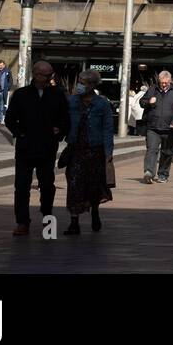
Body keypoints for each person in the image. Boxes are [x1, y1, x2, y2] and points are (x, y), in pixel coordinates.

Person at [3, 60, 70, 236]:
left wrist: (59, 131)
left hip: (47, 147)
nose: (49, 79)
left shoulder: (57, 94)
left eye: (51, 76)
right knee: (22, 186)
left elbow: (65, 118)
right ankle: (22, 221)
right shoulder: (21, 94)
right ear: (36, 74)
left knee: (47, 185)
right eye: (46, 76)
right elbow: (10, 119)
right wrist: (20, 134)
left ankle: (47, 215)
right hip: (26, 147)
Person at [64, 69, 114, 234]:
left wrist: (108, 152)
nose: (79, 85)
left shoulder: (102, 103)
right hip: (76, 149)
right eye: (79, 81)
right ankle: (74, 221)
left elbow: (107, 129)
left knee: (93, 186)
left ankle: (95, 211)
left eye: (82, 82)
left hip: (95, 150)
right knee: (74, 184)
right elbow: (64, 122)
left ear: (92, 85)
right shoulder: (71, 102)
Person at [139, 71, 173, 184]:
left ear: (170, 81)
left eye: (165, 83)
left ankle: (163, 174)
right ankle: (149, 172)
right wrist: (149, 101)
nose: (163, 85)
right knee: (151, 150)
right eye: (161, 82)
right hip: (153, 127)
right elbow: (142, 102)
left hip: (169, 128)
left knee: (167, 152)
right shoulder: (153, 89)